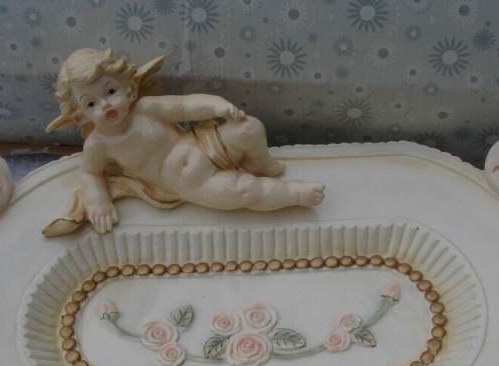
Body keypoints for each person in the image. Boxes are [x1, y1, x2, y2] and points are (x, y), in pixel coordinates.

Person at [44, 48, 325, 236]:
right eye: (91, 103)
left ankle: (260, 162)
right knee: (246, 192)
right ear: (79, 115)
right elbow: (90, 173)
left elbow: (185, 106)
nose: (105, 105)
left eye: (110, 91)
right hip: (188, 182)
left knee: (249, 128)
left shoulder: (146, 108)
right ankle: (294, 194)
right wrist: (99, 202)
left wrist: (217, 105)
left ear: (128, 88)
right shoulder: (98, 144)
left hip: (202, 144)